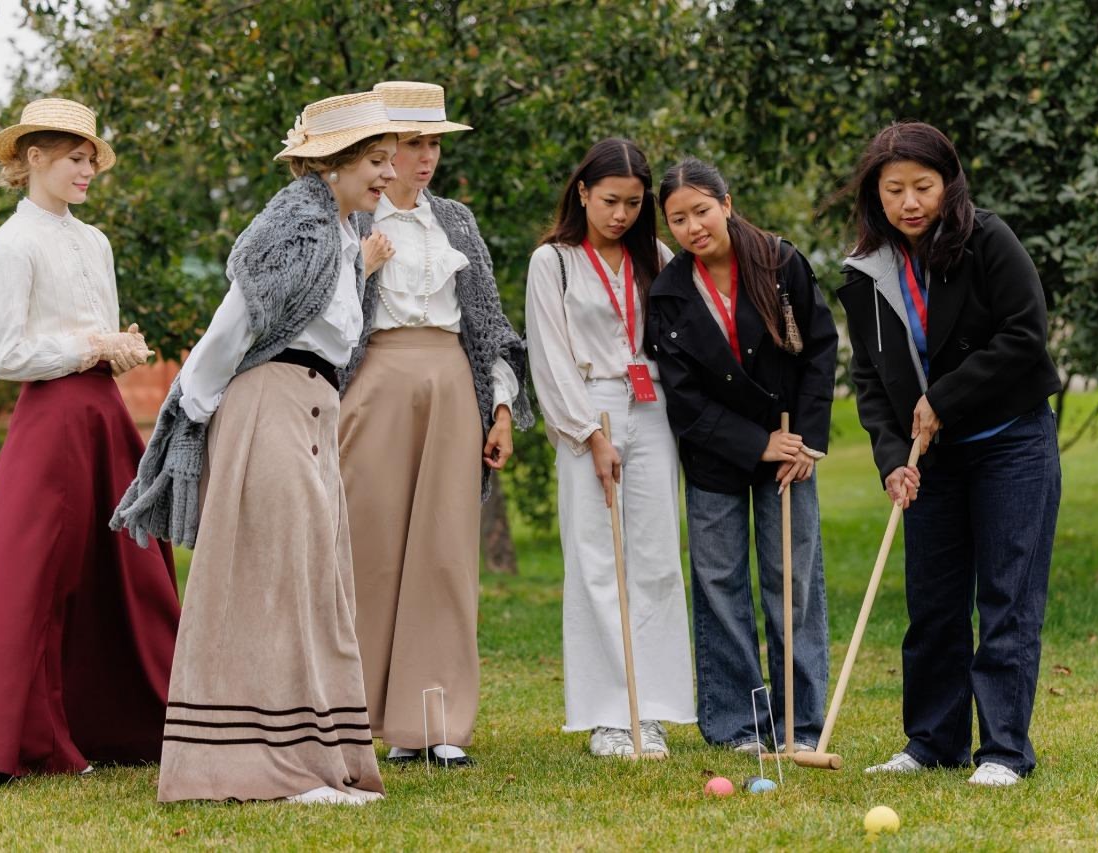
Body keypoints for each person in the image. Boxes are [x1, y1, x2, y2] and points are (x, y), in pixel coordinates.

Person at [113, 92, 418, 805]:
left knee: (311, 577)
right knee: (268, 578)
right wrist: (188, 411)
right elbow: (238, 320)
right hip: (266, 403)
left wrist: (363, 271)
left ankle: (315, 757)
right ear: (333, 164)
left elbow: (331, 325)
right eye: (375, 162)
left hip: (310, 407)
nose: (387, 174)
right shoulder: (296, 230)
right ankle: (263, 765)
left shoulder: (340, 234)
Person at [0, 98, 181, 783]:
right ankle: (8, 738)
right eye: (74, 158)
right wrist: (88, 345)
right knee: (33, 575)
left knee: (128, 569)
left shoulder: (94, 241)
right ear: (32, 158)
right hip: (51, 422)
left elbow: (101, 326)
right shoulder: (13, 244)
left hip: (103, 416)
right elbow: (7, 355)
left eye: (91, 159)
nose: (87, 169)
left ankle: (134, 721)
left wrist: (120, 345)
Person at [837, 121, 1061, 787]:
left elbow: (1025, 334)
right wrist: (889, 458)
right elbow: (871, 381)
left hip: (1009, 444)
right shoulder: (862, 273)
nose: (909, 202)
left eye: (922, 187)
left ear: (948, 184)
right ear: (874, 197)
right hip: (927, 458)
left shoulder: (986, 240)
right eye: (894, 190)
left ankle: (1002, 752)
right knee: (933, 604)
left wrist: (945, 397)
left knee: (1005, 598)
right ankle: (931, 741)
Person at [336, 81, 533, 768]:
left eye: (432, 144)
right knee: (368, 549)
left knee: (445, 554)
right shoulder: (349, 217)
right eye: (411, 143)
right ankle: (349, 716)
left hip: (452, 384)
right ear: (380, 148)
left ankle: (433, 720)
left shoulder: (457, 221)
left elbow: (489, 327)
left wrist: (502, 407)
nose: (424, 157)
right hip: (373, 384)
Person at [647, 157, 837, 754]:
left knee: (791, 585)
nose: (692, 227)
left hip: (791, 455)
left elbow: (822, 351)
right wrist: (757, 443)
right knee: (719, 587)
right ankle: (737, 727)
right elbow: (684, 400)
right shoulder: (670, 292)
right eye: (677, 219)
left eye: (701, 211)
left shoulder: (781, 261)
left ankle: (800, 728)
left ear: (726, 204)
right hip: (717, 458)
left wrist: (801, 441)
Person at [525, 138, 695, 758]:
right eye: (608, 201)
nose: (620, 214)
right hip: (588, 405)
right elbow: (547, 355)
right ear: (582, 193)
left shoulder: (657, 254)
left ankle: (648, 709)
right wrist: (589, 434)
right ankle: (608, 715)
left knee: (654, 557)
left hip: (652, 409)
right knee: (598, 558)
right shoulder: (555, 261)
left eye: (631, 203)